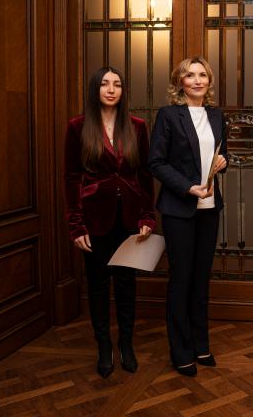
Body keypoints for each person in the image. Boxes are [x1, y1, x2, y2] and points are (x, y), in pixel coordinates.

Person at [63, 67, 155, 378]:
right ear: (96, 89)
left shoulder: (137, 126)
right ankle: (104, 346)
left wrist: (147, 216)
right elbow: (71, 178)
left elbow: (145, 175)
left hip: (130, 216)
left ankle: (126, 343)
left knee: (127, 283)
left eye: (117, 84)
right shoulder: (77, 127)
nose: (111, 89)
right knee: (99, 284)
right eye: (104, 84)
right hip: (94, 217)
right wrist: (76, 225)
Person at [148, 57, 228, 377]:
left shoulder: (216, 115)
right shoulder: (169, 115)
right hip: (179, 208)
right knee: (181, 281)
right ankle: (180, 350)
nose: (197, 80)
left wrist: (223, 161)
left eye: (202, 75)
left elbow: (220, 153)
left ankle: (200, 344)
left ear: (209, 81)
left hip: (210, 210)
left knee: (201, 281)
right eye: (190, 75)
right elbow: (156, 163)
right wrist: (187, 187)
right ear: (180, 82)